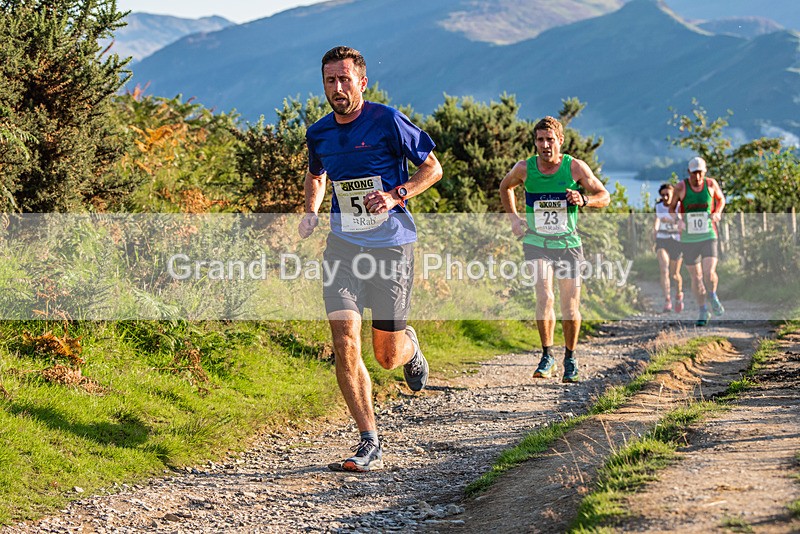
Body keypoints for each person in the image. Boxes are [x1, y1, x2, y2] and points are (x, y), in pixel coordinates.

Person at [298, 46, 443, 472]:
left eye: (345, 79)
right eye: (330, 81)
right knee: (344, 340)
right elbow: (316, 174)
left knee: (385, 355)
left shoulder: (387, 121)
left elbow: (432, 168)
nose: (338, 88)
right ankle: (369, 440)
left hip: (392, 247)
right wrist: (310, 210)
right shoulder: (319, 133)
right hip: (343, 247)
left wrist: (397, 194)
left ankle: (410, 347)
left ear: (362, 81)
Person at [499, 116, 610, 383]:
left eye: (550, 139)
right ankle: (547, 356)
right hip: (537, 242)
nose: (545, 145)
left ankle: (570, 358)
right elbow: (505, 187)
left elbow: (604, 196)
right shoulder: (525, 168)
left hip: (568, 244)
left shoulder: (575, 168)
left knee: (570, 305)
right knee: (545, 296)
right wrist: (514, 218)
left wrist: (583, 199)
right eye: (540, 140)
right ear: (535, 142)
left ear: (560, 140)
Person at [668, 156, 726, 327]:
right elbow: (671, 208)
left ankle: (713, 295)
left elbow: (721, 199)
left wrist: (717, 212)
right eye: (694, 174)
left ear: (705, 172)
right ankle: (702, 309)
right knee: (697, 277)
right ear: (689, 172)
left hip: (708, 234)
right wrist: (678, 219)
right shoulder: (681, 187)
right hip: (688, 238)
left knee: (709, 273)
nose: (698, 177)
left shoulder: (710, 184)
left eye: (700, 173)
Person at [653, 183, 684, 313]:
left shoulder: (678, 207)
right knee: (664, 269)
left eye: (668, 195)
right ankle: (667, 300)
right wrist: (654, 231)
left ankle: (678, 295)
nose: (665, 197)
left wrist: (671, 221)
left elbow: (683, 224)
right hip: (662, 240)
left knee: (674, 274)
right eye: (663, 195)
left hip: (676, 241)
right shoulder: (659, 207)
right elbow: (657, 220)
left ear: (673, 195)